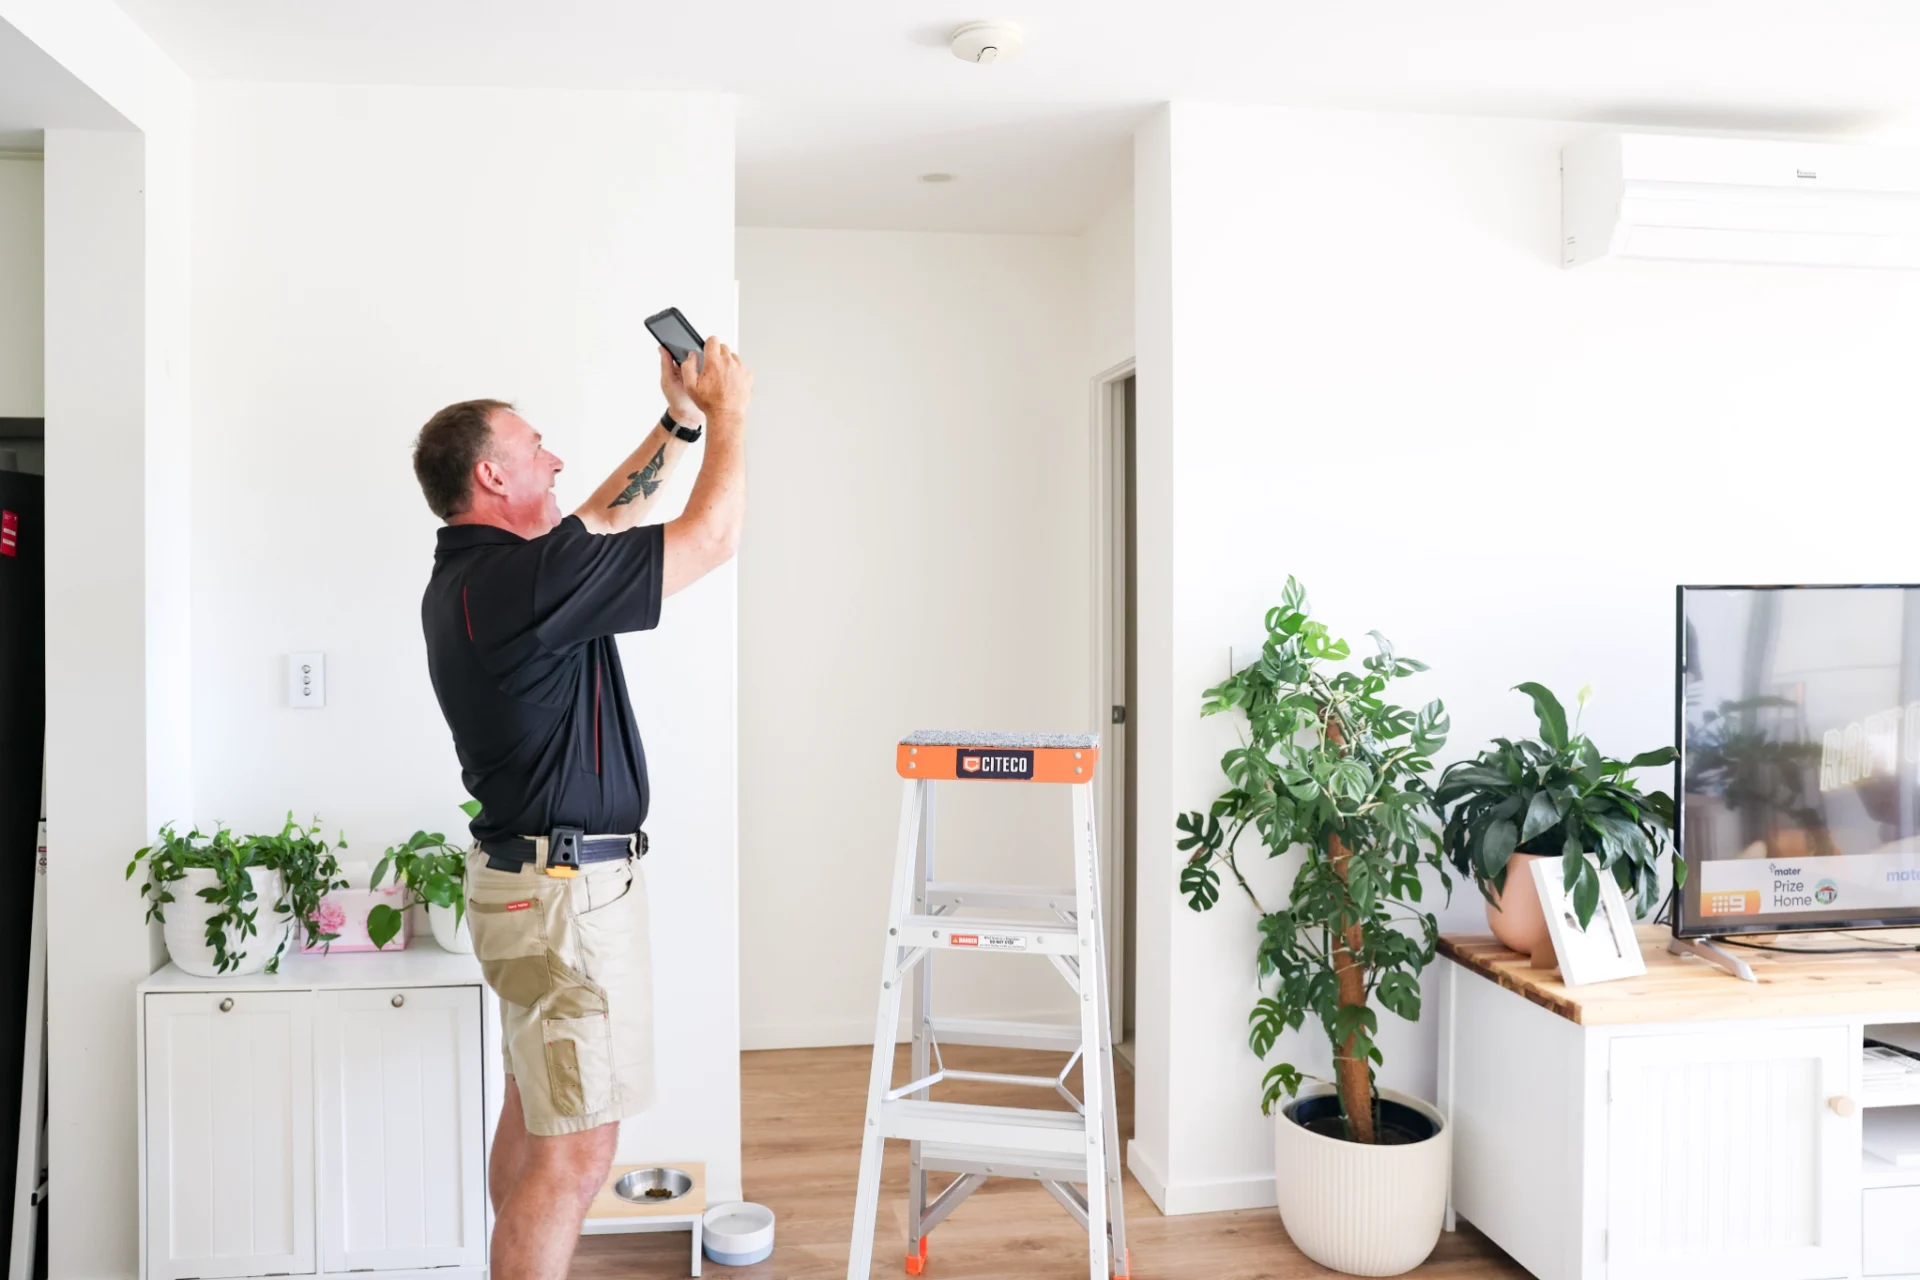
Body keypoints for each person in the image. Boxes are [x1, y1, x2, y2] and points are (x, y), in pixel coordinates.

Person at [411, 337, 751, 1280]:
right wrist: (732, 413)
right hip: (568, 904)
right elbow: (712, 536)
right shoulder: (526, 583)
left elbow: (606, 513)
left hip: (525, 890)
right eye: (536, 447)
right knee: (576, 1156)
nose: (555, 458)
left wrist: (680, 421)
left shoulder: (480, 578)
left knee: (537, 1118)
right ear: (492, 475)